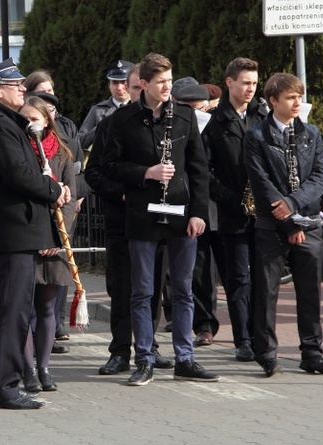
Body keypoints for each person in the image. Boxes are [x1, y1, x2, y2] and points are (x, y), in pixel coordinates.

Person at [102, 53, 218, 386]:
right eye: (161, 82)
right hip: (142, 214)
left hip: (181, 214)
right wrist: (146, 173)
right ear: (143, 84)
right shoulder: (122, 120)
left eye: (169, 80)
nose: (167, 87)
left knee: (182, 290)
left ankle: (185, 358)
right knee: (142, 292)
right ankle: (145, 358)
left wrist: (198, 213)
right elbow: (108, 166)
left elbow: (198, 170)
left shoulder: (184, 115)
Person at [0, 58, 69, 410]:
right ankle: (4, 388)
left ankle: (5, 384)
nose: (23, 91)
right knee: (12, 313)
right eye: (16, 86)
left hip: (18, 232)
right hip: (12, 232)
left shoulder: (5, 122)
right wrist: (52, 189)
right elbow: (17, 175)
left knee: (13, 312)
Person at [244, 72, 323, 377]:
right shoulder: (256, 137)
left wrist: (294, 207)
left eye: (299, 97)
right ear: (273, 101)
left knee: (310, 292)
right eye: (290, 98)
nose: (297, 103)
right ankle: (267, 353)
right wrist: (287, 224)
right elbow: (261, 182)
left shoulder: (312, 133)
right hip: (273, 228)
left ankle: (312, 352)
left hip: (308, 222)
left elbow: (321, 177)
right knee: (266, 291)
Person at [85, 64, 174, 376]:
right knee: (123, 288)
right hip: (122, 219)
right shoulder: (114, 123)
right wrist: (123, 194)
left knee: (152, 286)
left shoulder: (170, 120)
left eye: (137, 88)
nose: (134, 94)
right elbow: (94, 172)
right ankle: (120, 351)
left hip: (157, 219)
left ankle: (149, 347)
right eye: (133, 88)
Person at [202, 58, 268, 362]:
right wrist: (231, 198)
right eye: (245, 83)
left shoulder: (262, 117)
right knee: (239, 277)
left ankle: (261, 336)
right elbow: (205, 171)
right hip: (234, 212)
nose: (250, 89)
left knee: (263, 278)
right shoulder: (215, 124)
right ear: (230, 83)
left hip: (264, 213)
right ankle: (242, 339)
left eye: (254, 83)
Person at [18, 96, 76, 392]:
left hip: (53, 242)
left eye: (35, 120)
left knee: (47, 308)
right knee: (25, 309)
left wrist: (56, 237)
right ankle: (27, 369)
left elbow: (70, 202)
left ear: (47, 121)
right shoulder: (18, 153)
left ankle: (44, 367)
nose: (30, 125)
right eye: (25, 119)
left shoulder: (62, 155)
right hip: (28, 239)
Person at [171, 79, 225, 349]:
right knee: (198, 270)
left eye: (200, 108)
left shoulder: (216, 125)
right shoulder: (172, 126)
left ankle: (247, 332)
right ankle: (204, 325)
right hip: (189, 207)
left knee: (231, 272)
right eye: (188, 108)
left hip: (218, 207)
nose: (196, 115)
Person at [79, 60, 133, 149]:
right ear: (109, 85)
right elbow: (81, 142)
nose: (119, 88)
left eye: (124, 82)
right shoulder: (98, 110)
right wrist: (102, 126)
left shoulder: (140, 108)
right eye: (114, 83)